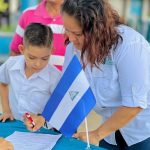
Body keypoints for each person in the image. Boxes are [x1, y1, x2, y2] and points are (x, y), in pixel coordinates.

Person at [24, 0, 150, 149]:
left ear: (97, 29)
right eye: (67, 30)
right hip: (109, 133)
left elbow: (134, 105)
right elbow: (69, 91)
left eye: (77, 33)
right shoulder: (73, 48)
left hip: (142, 131)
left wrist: (96, 134)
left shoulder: (130, 45)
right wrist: (44, 118)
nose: (70, 39)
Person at [0, 23, 60, 122]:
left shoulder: (55, 77)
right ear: (22, 49)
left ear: (51, 51)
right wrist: (6, 111)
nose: (38, 64)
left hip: (41, 129)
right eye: (32, 58)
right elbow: (2, 82)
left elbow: (59, 106)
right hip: (14, 122)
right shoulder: (11, 64)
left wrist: (42, 119)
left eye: (45, 58)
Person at [10, 0, 65, 70]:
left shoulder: (76, 16)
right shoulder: (28, 14)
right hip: (31, 79)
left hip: (66, 79)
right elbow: (15, 52)